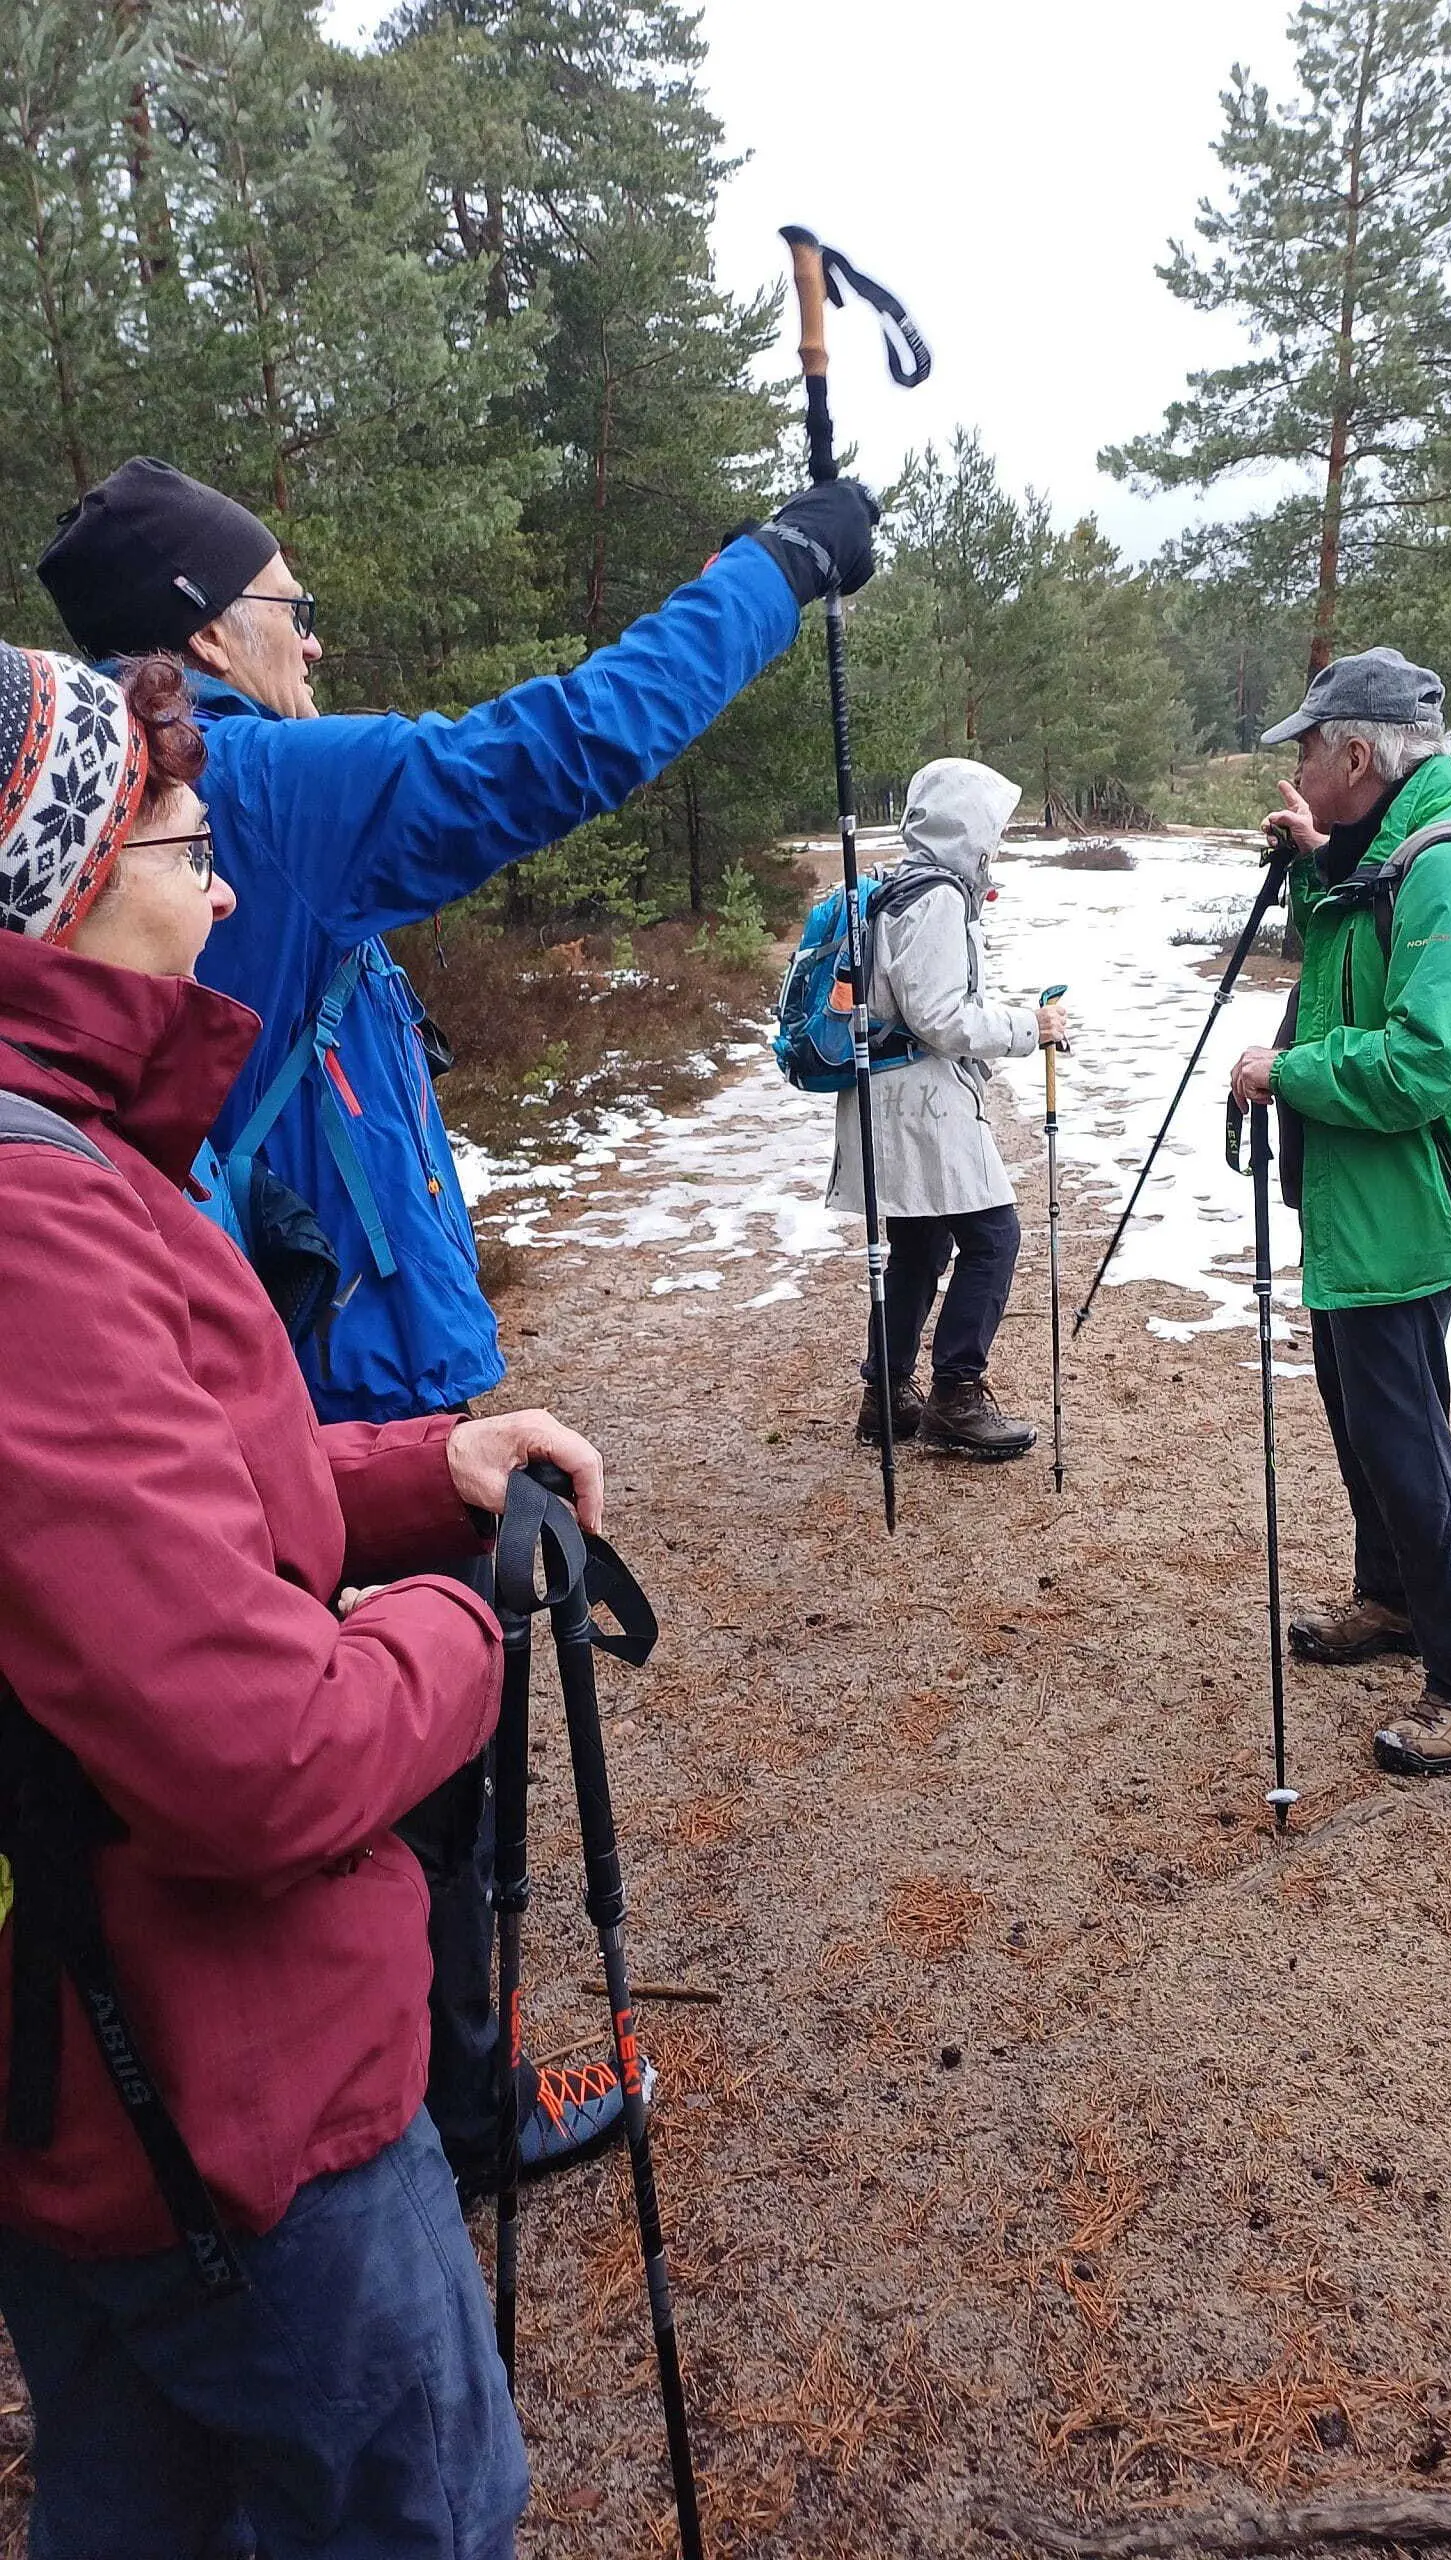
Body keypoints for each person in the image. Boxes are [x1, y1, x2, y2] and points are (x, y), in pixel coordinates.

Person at [37, 455, 877, 2194]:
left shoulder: (99, 810)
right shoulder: (251, 780)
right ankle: (441, 2124)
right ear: (199, 632)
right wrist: (775, 571)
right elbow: (563, 743)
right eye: (288, 607)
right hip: (339, 1375)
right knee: (403, 1769)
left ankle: (370, 2108)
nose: (318, 641)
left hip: (267, 1348)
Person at [0, 641, 608, 2555]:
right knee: (416, 2507)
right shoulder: (35, 1219)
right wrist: (455, 1622)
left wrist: (423, 1473)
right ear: (63, 885)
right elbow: (255, 1751)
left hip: (80, 2078)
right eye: (185, 843)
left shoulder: (74, 1153)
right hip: (216, 2099)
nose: (229, 886)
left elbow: (128, 1511)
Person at [1229, 648, 1451, 1777]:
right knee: (1365, 1418)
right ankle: (1393, 1599)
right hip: (1364, 1200)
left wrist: (1289, 1074)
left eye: (1309, 747)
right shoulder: (1394, 851)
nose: (1299, 764)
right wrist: (1319, 867)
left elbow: (1433, 1059)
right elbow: (1355, 957)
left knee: (1407, 1442)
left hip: (1405, 1205)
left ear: (1358, 754)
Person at [830, 757, 1067, 1460]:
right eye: (991, 822)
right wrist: (1030, 1028)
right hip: (923, 1104)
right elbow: (938, 1016)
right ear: (966, 822)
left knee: (921, 1246)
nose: (996, 837)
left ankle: (887, 1391)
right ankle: (955, 1397)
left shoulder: (900, 887)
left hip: (898, 1098)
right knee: (994, 1237)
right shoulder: (933, 898)